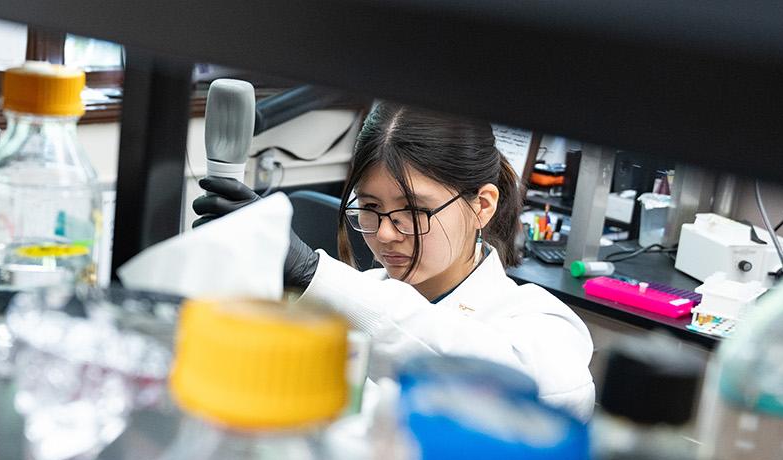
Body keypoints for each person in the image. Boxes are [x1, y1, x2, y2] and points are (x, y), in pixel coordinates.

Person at [193, 102, 595, 419]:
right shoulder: (358, 294)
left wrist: (313, 274)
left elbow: (522, 390)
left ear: (482, 206)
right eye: (370, 207)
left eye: (415, 211)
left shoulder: (543, 324)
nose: (385, 233)